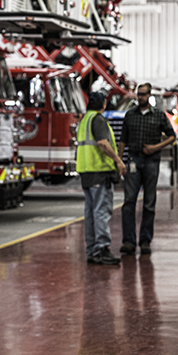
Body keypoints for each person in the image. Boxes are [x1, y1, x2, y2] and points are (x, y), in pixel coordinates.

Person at [118, 83, 176, 255]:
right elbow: (123, 140)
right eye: (138, 94)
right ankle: (128, 241)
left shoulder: (158, 115)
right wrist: (121, 161)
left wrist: (155, 147)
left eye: (143, 94)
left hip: (151, 162)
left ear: (149, 95)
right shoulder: (130, 115)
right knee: (129, 202)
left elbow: (172, 136)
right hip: (133, 161)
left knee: (149, 203)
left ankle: (145, 241)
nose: (140, 97)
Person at [77, 92, 127, 265]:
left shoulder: (85, 120)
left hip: (86, 171)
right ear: (103, 105)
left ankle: (92, 249)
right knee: (101, 211)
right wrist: (119, 161)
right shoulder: (98, 120)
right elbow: (103, 144)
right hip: (99, 171)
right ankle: (102, 248)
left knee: (90, 212)